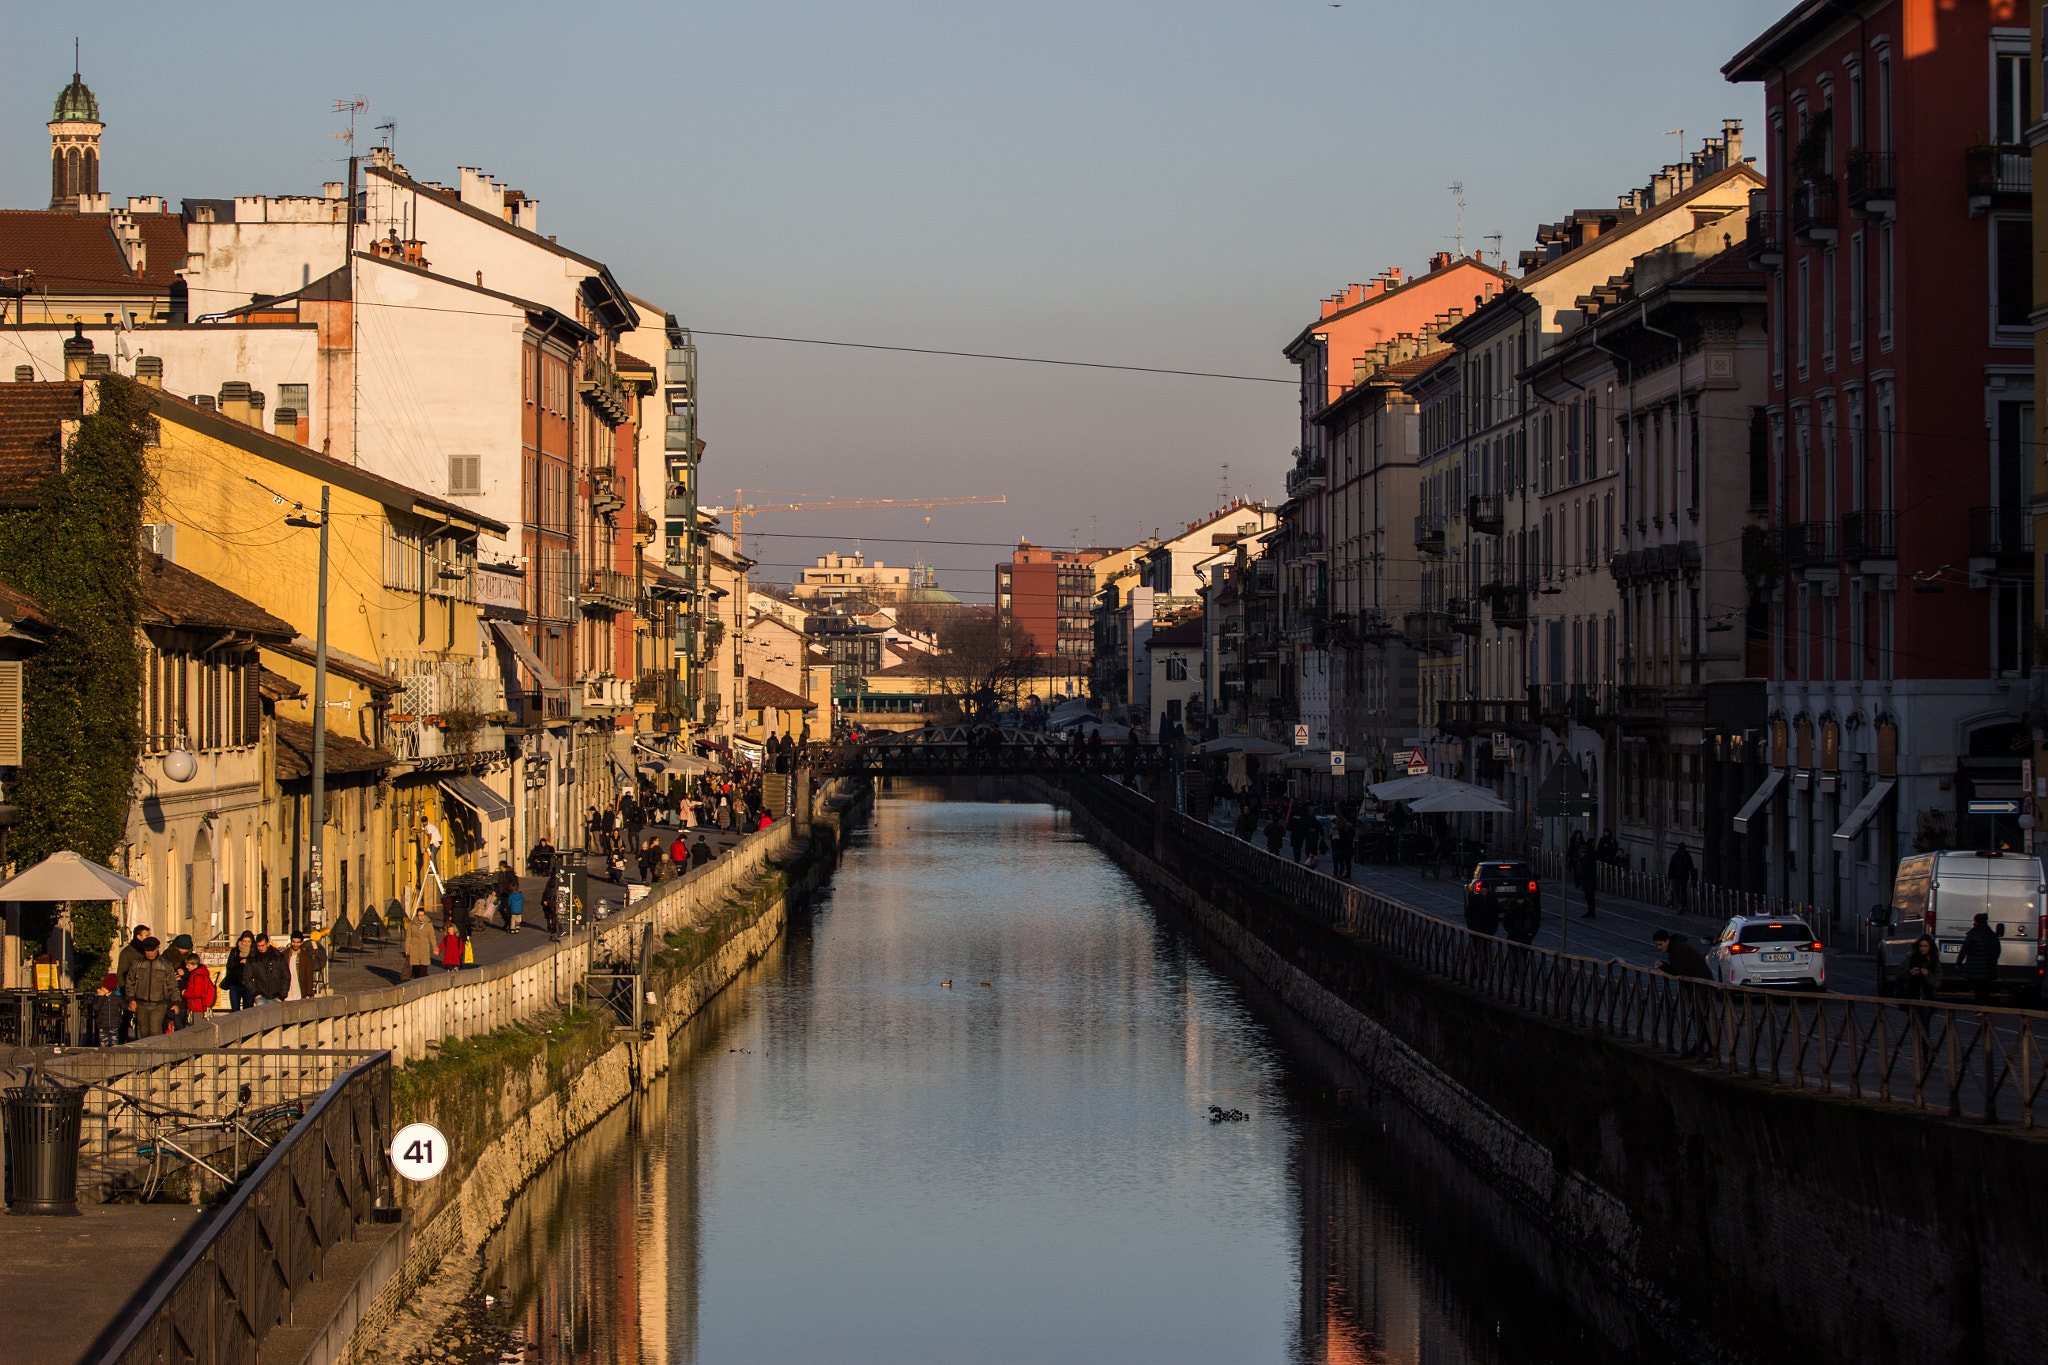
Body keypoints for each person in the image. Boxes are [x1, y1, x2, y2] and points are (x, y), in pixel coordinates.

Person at [1653, 929, 1714, 1058]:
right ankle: (1701, 1047)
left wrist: (1662, 965)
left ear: (1667, 941)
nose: (1659, 948)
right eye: (1657, 945)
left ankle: (1709, 1048)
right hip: (1697, 985)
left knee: (1700, 1016)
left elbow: (1677, 971)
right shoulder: (1677, 947)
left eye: (1660, 944)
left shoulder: (1678, 949)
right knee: (1699, 1016)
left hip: (1700, 985)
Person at [122, 937, 177, 1039]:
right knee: (143, 1032)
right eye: (147, 951)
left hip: (159, 1005)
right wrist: (131, 999)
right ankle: (144, 1054)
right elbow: (129, 982)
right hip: (141, 1004)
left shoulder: (165, 965)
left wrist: (175, 1002)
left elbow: (172, 985)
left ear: (157, 949)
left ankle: (155, 1054)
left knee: (155, 1032)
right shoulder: (137, 964)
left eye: (152, 950)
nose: (150, 953)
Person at [1957, 912, 2002, 1005]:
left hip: (1974, 968)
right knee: (1986, 988)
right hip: (1988, 968)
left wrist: (1958, 963)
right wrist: (1992, 961)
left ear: (1975, 922)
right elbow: (1997, 950)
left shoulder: (1972, 935)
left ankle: (1979, 1007)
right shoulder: (1992, 935)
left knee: (1977, 989)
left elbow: (1963, 950)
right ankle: (1985, 1006)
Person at [1896, 935, 1941, 1004]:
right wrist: (1910, 972)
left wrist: (1928, 974)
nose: (1923, 948)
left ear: (1930, 947)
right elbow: (1900, 973)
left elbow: (1937, 982)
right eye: (1921, 946)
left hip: (1928, 996)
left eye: (1925, 946)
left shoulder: (1934, 960)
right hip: (1910, 994)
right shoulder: (1911, 957)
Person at [248, 934, 289, 1003]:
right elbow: (247, 977)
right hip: (260, 997)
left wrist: (282, 996)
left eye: (262, 945)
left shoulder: (278, 957)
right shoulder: (252, 958)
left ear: (268, 944)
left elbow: (286, 976)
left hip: (277, 996)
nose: (260, 948)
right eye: (258, 946)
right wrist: (255, 993)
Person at [287, 930, 327, 1000]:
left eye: (298, 942)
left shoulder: (305, 956)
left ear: (301, 943)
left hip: (300, 990)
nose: (295, 945)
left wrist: (309, 993)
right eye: (293, 942)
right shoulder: (285, 954)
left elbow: (309, 975)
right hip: (287, 990)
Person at [180, 950, 217, 1026]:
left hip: (197, 1006)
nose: (186, 967)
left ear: (194, 965)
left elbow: (197, 993)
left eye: (188, 965)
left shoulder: (197, 976)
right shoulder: (199, 973)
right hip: (198, 1006)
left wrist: (185, 993)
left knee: (197, 1028)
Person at [223, 930, 256, 1011]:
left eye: (248, 942)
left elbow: (257, 968)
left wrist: (247, 963)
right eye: (244, 941)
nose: (246, 944)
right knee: (235, 1011)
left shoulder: (254, 953)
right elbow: (230, 966)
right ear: (240, 941)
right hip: (235, 985)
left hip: (249, 986)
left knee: (248, 1010)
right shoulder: (235, 951)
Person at [404, 909, 437, 979]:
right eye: (419, 915)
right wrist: (407, 949)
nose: (421, 917)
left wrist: (435, 948)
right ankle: (416, 979)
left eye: (422, 915)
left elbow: (432, 936)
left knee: (424, 967)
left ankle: (422, 983)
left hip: (424, 947)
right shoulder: (412, 924)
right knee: (415, 967)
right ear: (417, 915)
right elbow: (408, 937)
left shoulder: (428, 924)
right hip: (414, 947)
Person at [93, 974, 124, 1047]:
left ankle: (114, 1056)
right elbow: (96, 1007)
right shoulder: (99, 997)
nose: (102, 989)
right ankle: (104, 1056)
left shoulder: (116, 996)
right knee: (103, 1042)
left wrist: (129, 1007)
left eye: (105, 987)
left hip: (114, 1023)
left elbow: (123, 1004)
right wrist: (101, 997)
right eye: (102, 987)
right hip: (102, 1023)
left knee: (114, 1041)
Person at [1667, 843, 1697, 913]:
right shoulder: (1687, 856)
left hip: (1676, 876)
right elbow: (1691, 867)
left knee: (1676, 891)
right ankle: (1683, 904)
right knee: (1683, 891)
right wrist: (1693, 877)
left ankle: (1679, 904)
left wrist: (1669, 877)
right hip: (1684, 876)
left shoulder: (1675, 855)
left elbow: (1671, 866)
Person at [497, 860, 522, 933]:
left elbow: (515, 882)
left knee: (508, 910)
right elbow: (499, 884)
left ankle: (511, 925)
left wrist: (511, 889)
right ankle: (508, 921)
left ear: (502, 866)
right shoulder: (501, 874)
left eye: (500, 866)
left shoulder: (509, 874)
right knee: (501, 909)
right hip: (503, 894)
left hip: (508, 894)